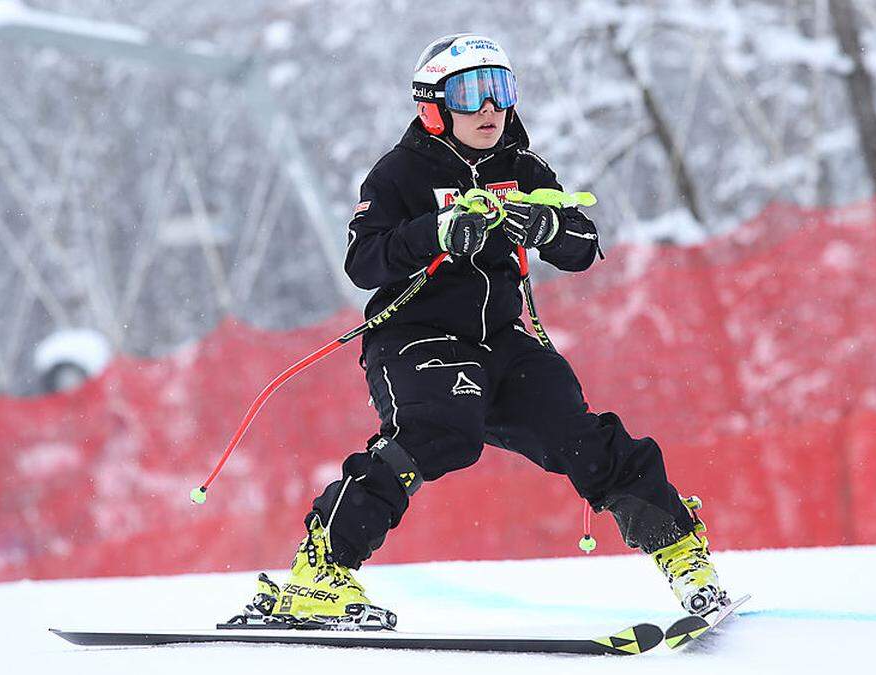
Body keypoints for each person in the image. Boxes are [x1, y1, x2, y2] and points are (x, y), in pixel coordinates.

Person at [252, 33, 728, 626]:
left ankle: (682, 553)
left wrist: (549, 228)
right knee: (438, 433)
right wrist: (439, 231)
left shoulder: (521, 167)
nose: (489, 108)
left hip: (501, 342)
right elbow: (362, 261)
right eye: (471, 92)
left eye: (500, 89)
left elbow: (584, 245)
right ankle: (317, 574)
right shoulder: (398, 174)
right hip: (416, 335)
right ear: (433, 104)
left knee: (580, 436)